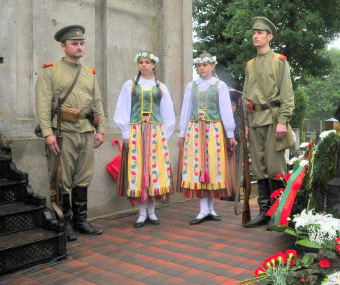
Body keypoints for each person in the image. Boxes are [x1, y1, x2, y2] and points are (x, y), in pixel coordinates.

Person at [35, 25, 105, 241]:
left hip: (85, 131)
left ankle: (80, 221)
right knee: (62, 178)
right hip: (62, 132)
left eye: (82, 43)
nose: (79, 47)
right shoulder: (51, 71)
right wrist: (48, 133)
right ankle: (63, 222)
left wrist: (100, 129)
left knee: (83, 177)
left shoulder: (89, 73)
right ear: (63, 46)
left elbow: (97, 103)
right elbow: (43, 104)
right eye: (74, 43)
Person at [242, 17, 294, 228]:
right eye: (254, 32)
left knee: (275, 167)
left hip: (273, 122)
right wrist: (245, 124)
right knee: (260, 168)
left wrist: (283, 121)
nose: (256, 36)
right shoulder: (250, 65)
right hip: (254, 122)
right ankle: (263, 212)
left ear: (269, 37)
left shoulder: (279, 61)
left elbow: (287, 95)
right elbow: (246, 98)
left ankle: (278, 213)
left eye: (260, 33)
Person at [113, 52, 176, 228]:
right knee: (138, 171)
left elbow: (168, 113)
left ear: (154, 65)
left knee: (153, 170)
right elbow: (123, 109)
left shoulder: (161, 87)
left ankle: (152, 211)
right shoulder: (130, 85)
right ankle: (141, 213)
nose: (144, 65)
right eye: (141, 62)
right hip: (135, 131)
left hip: (155, 132)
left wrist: (164, 135)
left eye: (147, 62)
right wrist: (126, 133)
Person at [178, 53, 237, 225]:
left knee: (212, 167)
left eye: (205, 65)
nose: (202, 68)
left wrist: (230, 135)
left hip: (214, 131)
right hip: (195, 130)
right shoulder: (192, 86)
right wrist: (182, 134)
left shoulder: (220, 86)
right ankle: (204, 209)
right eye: (199, 65)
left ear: (212, 66)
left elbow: (226, 110)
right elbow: (186, 110)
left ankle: (210, 209)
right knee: (198, 167)